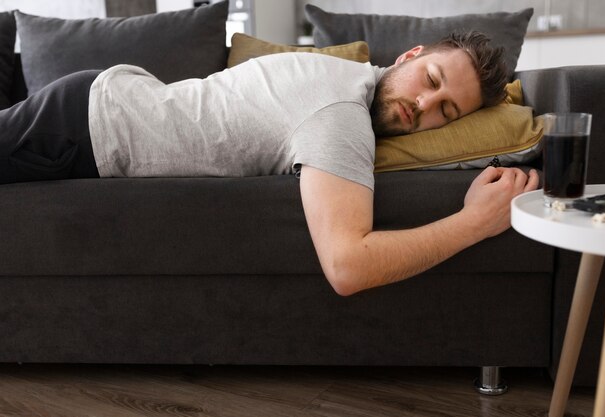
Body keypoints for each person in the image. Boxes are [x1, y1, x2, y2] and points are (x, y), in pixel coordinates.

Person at [0, 31, 538, 295]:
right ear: (410, 57)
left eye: (445, 113)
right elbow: (349, 266)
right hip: (87, 126)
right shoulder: (340, 113)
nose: (422, 107)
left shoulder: (344, 84)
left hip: (103, 101)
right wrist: (472, 223)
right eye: (432, 82)